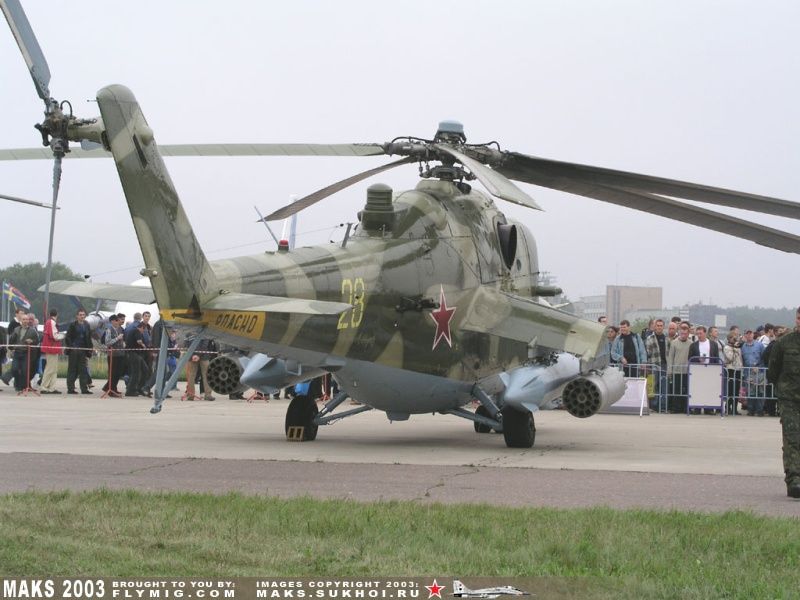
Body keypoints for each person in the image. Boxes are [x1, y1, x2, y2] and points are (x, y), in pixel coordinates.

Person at [766, 307, 800, 498]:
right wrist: (783, 389)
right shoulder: (784, 343)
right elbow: (773, 371)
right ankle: (794, 479)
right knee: (792, 438)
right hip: (790, 399)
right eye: (798, 318)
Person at [64, 309, 93, 395]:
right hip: (74, 350)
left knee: (83, 370)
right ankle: (70, 388)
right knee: (72, 370)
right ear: (77, 316)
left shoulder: (87, 325)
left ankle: (84, 389)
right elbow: (68, 337)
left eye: (83, 315)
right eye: (80, 315)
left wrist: (90, 349)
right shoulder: (72, 325)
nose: (82, 316)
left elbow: (88, 338)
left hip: (83, 350)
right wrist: (71, 347)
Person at [8, 313, 39, 392]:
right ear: (21, 321)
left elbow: (37, 341)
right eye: (23, 319)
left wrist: (32, 341)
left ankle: (21, 387)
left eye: (26, 319)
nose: (25, 321)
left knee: (25, 371)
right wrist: (13, 339)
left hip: (26, 354)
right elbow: (11, 341)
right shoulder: (16, 329)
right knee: (14, 369)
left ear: (28, 321)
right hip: (17, 353)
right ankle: (17, 383)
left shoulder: (32, 331)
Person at [667, 322, 692, 413]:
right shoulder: (674, 343)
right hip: (676, 371)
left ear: (688, 333)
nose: (683, 335)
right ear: (679, 332)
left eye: (685, 333)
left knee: (686, 390)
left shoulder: (691, 343)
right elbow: (670, 358)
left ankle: (685, 408)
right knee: (676, 390)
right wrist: (669, 371)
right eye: (682, 333)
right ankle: (675, 408)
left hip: (687, 372)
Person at [645, 319, 668, 411]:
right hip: (654, 365)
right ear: (654, 327)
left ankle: (662, 406)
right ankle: (653, 406)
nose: (659, 327)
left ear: (663, 327)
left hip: (664, 365)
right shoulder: (649, 338)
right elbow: (648, 353)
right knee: (653, 386)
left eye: (661, 325)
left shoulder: (667, 339)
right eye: (657, 325)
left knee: (664, 386)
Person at [741, 329, 766, 416]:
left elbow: (764, 357)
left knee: (760, 391)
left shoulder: (760, 345)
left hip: (759, 372)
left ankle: (759, 410)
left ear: (753, 335)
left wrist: (759, 367)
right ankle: (750, 410)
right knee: (750, 392)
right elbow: (743, 359)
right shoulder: (743, 346)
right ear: (745, 335)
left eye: (750, 333)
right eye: (747, 334)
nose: (749, 335)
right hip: (748, 372)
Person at [184, 336, 217, 401]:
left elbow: (186, 345)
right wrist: (198, 355)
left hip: (192, 356)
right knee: (206, 375)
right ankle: (208, 395)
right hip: (204, 356)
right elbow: (205, 345)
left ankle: (190, 395)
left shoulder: (188, 333)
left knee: (191, 376)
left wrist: (194, 355)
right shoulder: (204, 332)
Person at [39, 308, 63, 394]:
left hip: (51, 348)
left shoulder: (48, 322)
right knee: (50, 368)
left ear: (50, 314)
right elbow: (54, 336)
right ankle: (44, 386)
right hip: (52, 348)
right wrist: (63, 336)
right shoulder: (52, 322)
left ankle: (52, 387)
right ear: (57, 314)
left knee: (53, 368)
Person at [101, 314, 126, 397]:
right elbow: (107, 342)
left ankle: (111, 388)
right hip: (113, 355)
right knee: (113, 373)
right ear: (112, 321)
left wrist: (123, 343)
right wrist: (117, 338)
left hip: (120, 354)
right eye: (116, 320)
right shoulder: (109, 330)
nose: (118, 322)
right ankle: (111, 390)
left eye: (118, 320)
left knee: (118, 373)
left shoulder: (120, 329)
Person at [123, 320, 147, 397]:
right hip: (133, 354)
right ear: (141, 328)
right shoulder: (137, 331)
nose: (143, 332)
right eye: (144, 330)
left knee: (145, 370)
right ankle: (130, 390)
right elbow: (139, 341)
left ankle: (139, 388)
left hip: (135, 354)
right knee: (136, 373)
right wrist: (144, 346)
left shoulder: (132, 331)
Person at [723, 332, 743, 415]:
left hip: (738, 369)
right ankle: (728, 408)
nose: (735, 340)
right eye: (733, 338)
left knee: (736, 390)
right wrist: (734, 348)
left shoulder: (738, 348)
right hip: (730, 370)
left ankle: (735, 408)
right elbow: (730, 358)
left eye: (736, 338)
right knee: (730, 390)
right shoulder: (727, 348)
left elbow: (740, 358)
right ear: (729, 339)